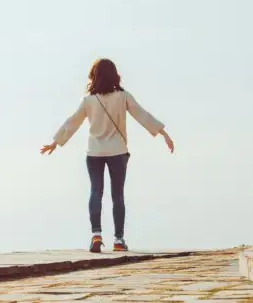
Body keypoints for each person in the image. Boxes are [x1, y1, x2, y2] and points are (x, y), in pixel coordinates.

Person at [40, 58, 174, 254]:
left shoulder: (88, 101)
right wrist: (163, 134)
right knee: (117, 195)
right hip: (118, 151)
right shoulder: (123, 96)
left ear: (94, 76)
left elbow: (72, 123)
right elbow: (142, 115)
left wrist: (55, 143)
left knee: (96, 192)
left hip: (94, 152)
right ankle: (119, 240)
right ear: (114, 75)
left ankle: (96, 235)